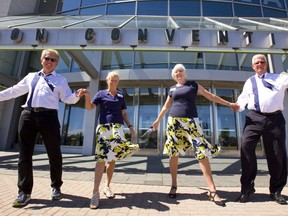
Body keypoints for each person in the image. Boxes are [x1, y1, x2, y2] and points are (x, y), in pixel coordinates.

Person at [0, 49, 86, 207]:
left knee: (54, 154)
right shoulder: (31, 77)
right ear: (41, 60)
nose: (50, 61)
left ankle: (56, 187)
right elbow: (14, 91)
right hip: (28, 115)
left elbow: (67, 98)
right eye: (47, 58)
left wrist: (77, 95)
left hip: (49, 117)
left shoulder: (60, 80)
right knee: (24, 155)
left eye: (53, 60)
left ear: (57, 63)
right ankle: (24, 192)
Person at [152, 64, 238, 207]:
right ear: (174, 75)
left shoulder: (193, 85)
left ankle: (212, 190)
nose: (179, 73)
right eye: (176, 72)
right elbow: (166, 106)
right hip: (174, 122)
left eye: (181, 71)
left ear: (184, 73)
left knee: (201, 153)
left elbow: (210, 96)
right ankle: (173, 186)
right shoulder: (172, 89)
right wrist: (157, 121)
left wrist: (229, 103)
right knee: (174, 154)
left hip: (192, 122)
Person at [234, 54, 287, 205]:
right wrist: (237, 106)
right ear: (252, 66)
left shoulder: (279, 78)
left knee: (277, 155)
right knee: (246, 146)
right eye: (256, 63)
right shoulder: (250, 81)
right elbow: (243, 98)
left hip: (275, 120)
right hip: (254, 118)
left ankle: (276, 190)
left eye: (262, 62)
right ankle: (247, 188)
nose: (259, 64)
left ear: (266, 64)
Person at [83, 71, 139, 209]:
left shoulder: (120, 95)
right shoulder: (101, 94)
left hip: (117, 129)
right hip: (104, 129)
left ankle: (107, 187)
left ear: (118, 82)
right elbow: (89, 107)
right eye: (111, 80)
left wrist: (131, 126)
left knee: (112, 159)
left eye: (115, 80)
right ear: (107, 80)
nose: (113, 82)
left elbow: (124, 113)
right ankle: (95, 193)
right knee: (101, 159)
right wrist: (87, 96)